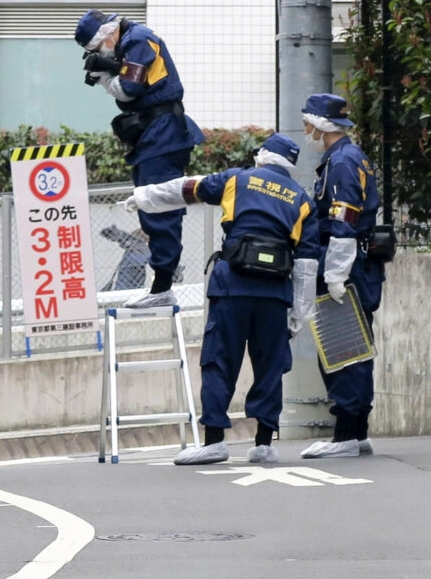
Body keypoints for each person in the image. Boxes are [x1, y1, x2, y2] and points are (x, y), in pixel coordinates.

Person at [123, 133, 320, 465]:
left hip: (232, 286)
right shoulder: (302, 200)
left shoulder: (237, 180)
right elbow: (306, 263)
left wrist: (144, 197)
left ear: (261, 157)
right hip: (274, 293)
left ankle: (214, 441)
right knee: (270, 367)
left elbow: (187, 189)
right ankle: (263, 444)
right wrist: (299, 313)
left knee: (219, 362)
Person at [75, 9, 205, 308]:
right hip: (154, 133)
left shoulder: (139, 39)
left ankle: (162, 286)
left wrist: (107, 73)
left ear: (106, 34)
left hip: (163, 133)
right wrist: (109, 69)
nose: (99, 53)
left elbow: (128, 89)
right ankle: (161, 284)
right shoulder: (129, 42)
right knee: (151, 205)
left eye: (97, 49)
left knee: (160, 205)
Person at [298, 93, 386, 459]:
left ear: (319, 125)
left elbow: (343, 222)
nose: (305, 129)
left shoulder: (342, 162)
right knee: (355, 349)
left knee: (342, 349)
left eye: (307, 123)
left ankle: (346, 435)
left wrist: (334, 274)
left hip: (347, 266)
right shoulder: (348, 157)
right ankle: (356, 432)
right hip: (357, 265)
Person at [100, 225, 151, 291]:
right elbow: (149, 256)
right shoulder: (136, 253)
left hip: (124, 287)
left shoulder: (130, 252)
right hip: (127, 288)